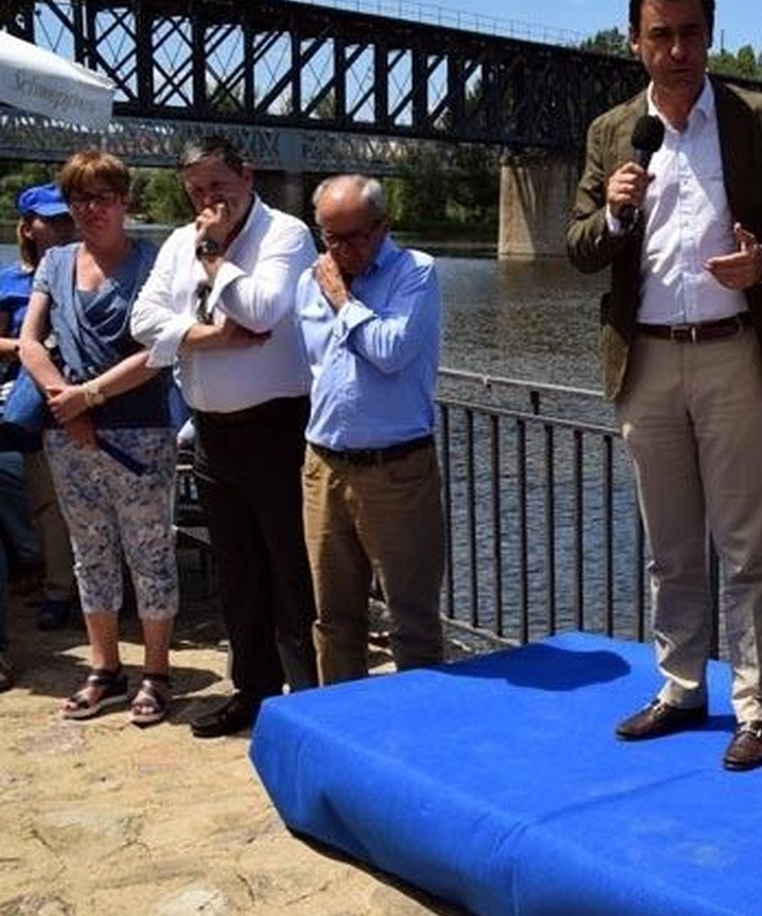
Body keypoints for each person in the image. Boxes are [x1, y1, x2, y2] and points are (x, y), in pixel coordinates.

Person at [567, 0, 762, 772]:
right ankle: (679, 689)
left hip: (733, 354)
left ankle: (758, 706)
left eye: (691, 34)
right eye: (660, 35)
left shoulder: (760, 122)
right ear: (635, 41)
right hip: (645, 359)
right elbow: (577, 249)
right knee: (671, 546)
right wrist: (611, 212)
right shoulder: (613, 132)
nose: (677, 51)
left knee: (746, 548)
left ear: (712, 35)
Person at [130, 136, 319, 738]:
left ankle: (306, 702)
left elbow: (263, 310)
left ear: (247, 175)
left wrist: (215, 259)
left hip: (277, 428)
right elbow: (143, 321)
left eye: (219, 187)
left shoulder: (285, 234)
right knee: (238, 573)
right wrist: (212, 336)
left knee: (290, 572)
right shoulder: (178, 243)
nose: (209, 203)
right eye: (196, 192)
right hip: (212, 434)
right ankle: (254, 693)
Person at [18, 152, 179, 724]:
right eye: (80, 199)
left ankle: (156, 675)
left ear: (125, 202)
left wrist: (88, 399)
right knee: (91, 555)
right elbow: (31, 341)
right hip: (70, 434)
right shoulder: (56, 262)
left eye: (103, 198)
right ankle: (104, 668)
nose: (91, 209)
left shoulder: (155, 264)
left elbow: (159, 353)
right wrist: (65, 400)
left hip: (140, 433)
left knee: (150, 553)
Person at [296, 175, 445, 684]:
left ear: (384, 226)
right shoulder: (308, 279)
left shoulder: (414, 273)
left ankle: (419, 733)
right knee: (334, 619)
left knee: (411, 621)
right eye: (330, 238)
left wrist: (342, 300)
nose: (343, 250)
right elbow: (310, 366)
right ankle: (343, 732)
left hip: (396, 470)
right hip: (325, 466)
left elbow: (390, 350)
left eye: (356, 236)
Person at [0, 184, 77, 634]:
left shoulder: (91, 267)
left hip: (91, 393)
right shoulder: (11, 281)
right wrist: (34, 347)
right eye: (55, 219)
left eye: (68, 218)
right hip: (36, 399)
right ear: (29, 227)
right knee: (48, 500)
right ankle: (57, 589)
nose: (65, 226)